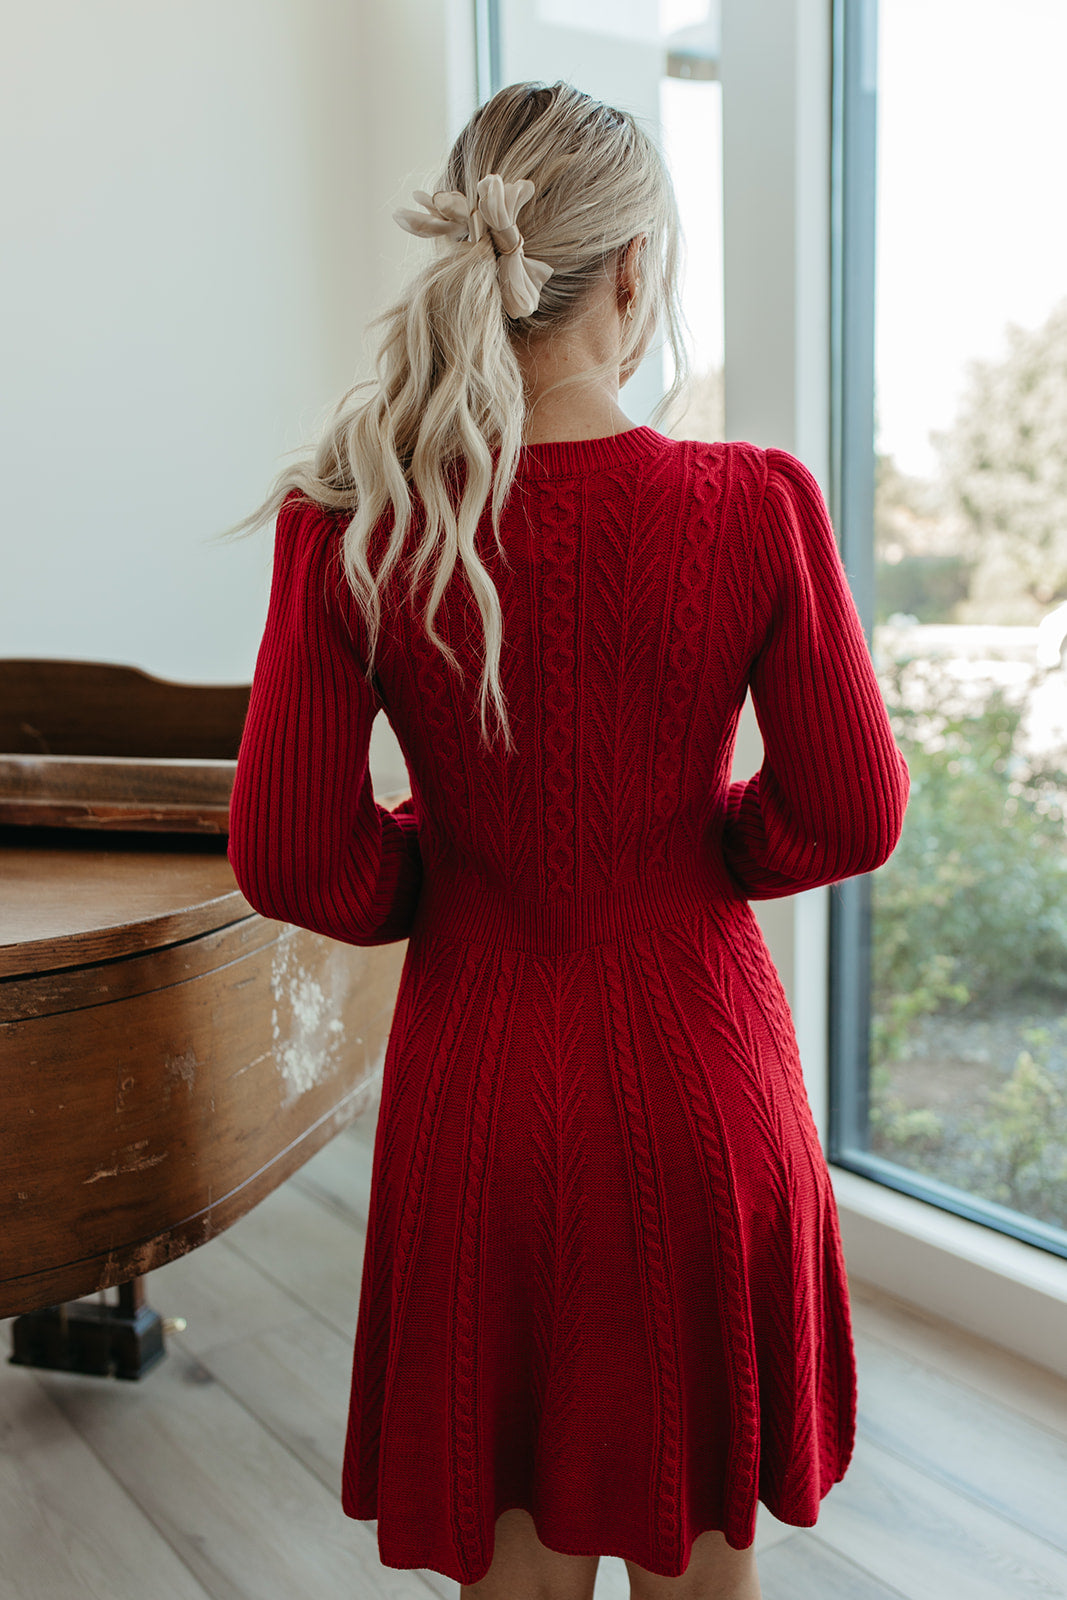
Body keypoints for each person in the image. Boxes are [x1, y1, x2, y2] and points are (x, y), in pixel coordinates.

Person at [225, 79, 910, 1600]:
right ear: (633, 277)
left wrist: (446, 862)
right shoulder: (755, 505)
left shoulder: (353, 524)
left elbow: (290, 857)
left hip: (481, 1094)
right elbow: (851, 811)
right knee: (700, 1561)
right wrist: (698, 850)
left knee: (517, 1568)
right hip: (702, 1089)